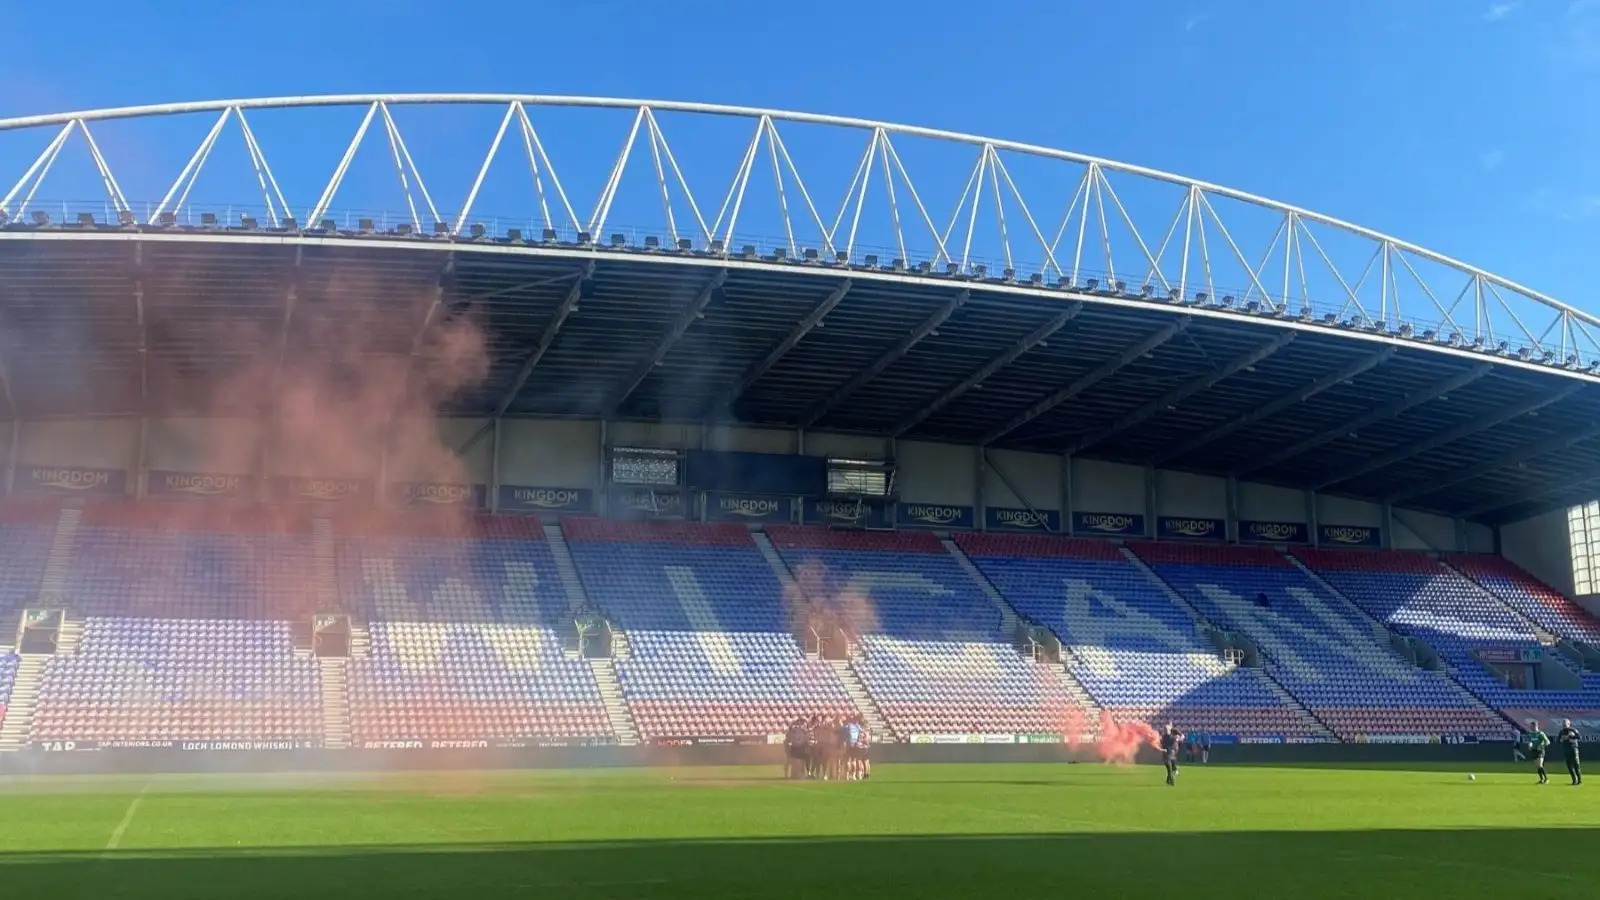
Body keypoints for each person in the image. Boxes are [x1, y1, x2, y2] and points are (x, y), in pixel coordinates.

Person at [1557, 719, 1583, 786]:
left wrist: (1570, 736)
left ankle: (1579, 780)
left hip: (1573, 749)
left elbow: (1579, 737)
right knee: (1569, 766)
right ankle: (1574, 780)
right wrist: (1562, 739)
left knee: (1576, 765)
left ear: (1569, 723)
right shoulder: (1561, 732)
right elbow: (1558, 741)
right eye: (1563, 724)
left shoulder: (1573, 730)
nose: (1564, 725)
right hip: (1566, 750)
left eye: (1565, 723)